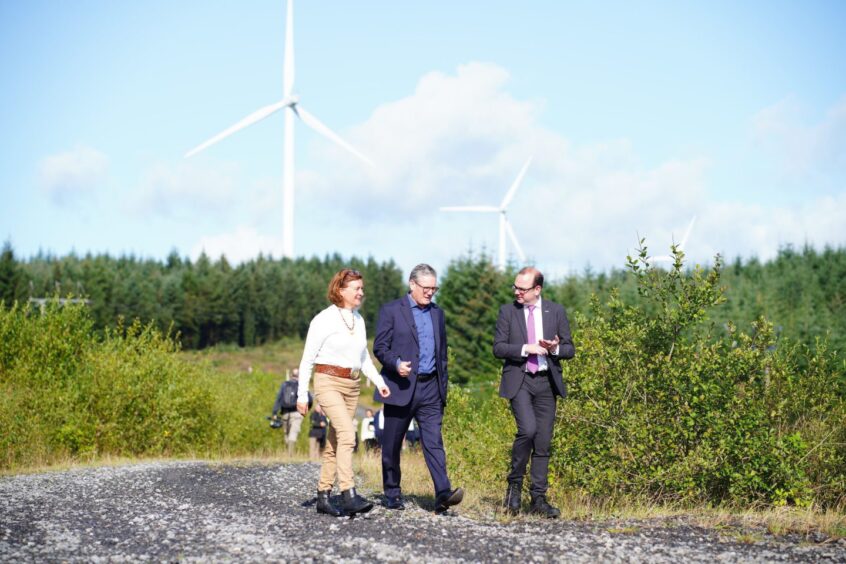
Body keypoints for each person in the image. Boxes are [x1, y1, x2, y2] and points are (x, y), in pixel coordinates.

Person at [296, 268, 391, 517]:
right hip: (327, 382)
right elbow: (307, 360)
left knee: (335, 441)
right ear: (340, 290)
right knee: (348, 435)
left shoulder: (358, 320)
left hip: (352, 385)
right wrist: (301, 394)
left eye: (362, 288)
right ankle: (349, 493)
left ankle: (323, 496)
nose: (362, 292)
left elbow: (364, 358)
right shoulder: (323, 320)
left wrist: (379, 381)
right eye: (356, 288)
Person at [373, 263, 463, 513]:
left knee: (434, 442)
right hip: (400, 386)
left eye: (434, 288)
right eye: (426, 287)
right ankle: (392, 492)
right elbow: (380, 347)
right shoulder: (391, 310)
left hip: (431, 388)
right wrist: (396, 364)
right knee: (391, 444)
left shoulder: (438, 313)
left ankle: (443, 493)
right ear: (412, 284)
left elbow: (441, 353)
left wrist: (442, 385)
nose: (430, 292)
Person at [493, 266, 575, 518]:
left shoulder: (556, 311)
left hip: (546, 383)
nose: (517, 292)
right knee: (527, 430)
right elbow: (498, 348)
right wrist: (526, 348)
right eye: (515, 287)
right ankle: (513, 489)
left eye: (522, 288)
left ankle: (538, 498)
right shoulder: (508, 311)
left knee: (543, 441)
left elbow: (569, 349)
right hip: (520, 380)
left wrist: (553, 349)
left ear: (537, 289)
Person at [269, 368, 304, 456]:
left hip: (285, 413)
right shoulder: (301, 385)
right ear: (299, 376)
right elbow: (309, 400)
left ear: (292, 375)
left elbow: (279, 399)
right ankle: (290, 454)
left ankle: (288, 454)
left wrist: (274, 413)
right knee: (293, 433)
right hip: (297, 413)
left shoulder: (284, 385)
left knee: (286, 434)